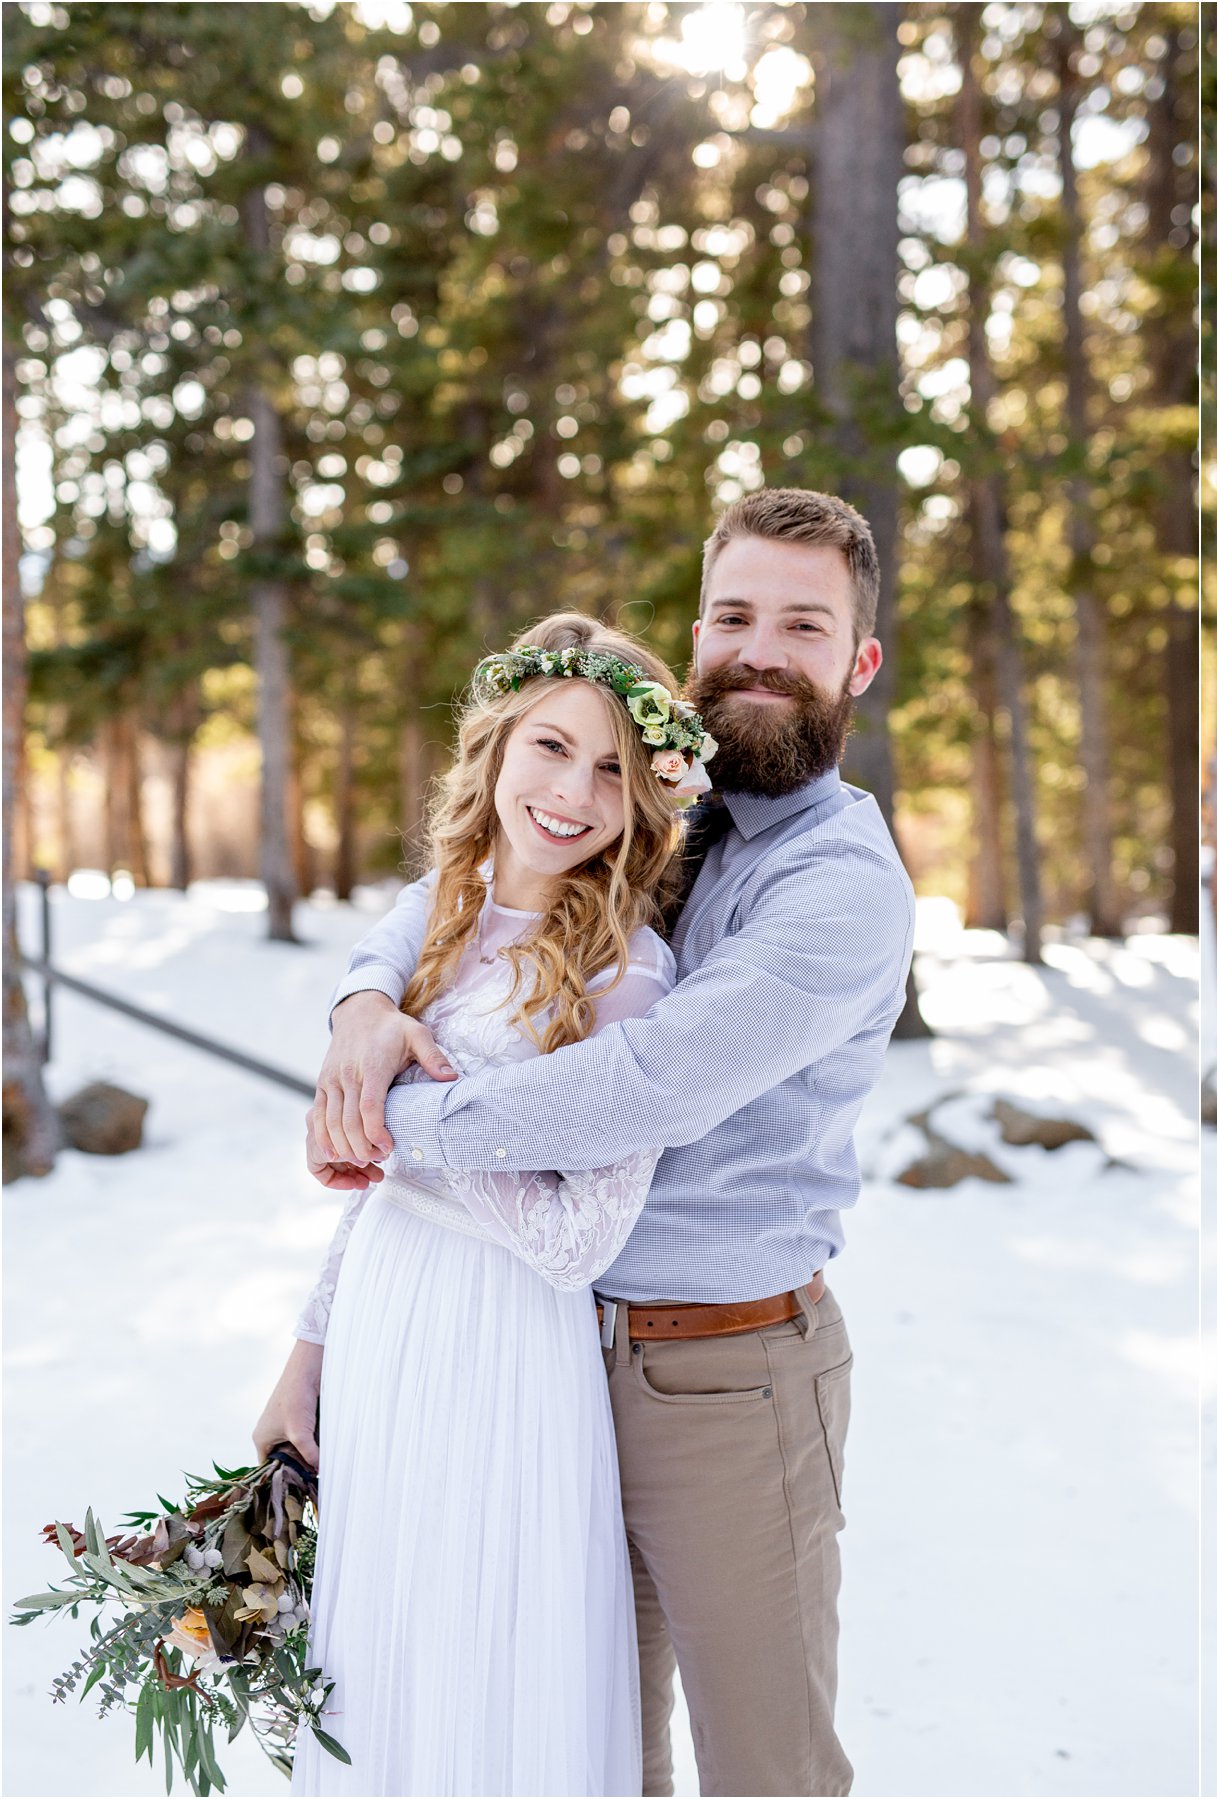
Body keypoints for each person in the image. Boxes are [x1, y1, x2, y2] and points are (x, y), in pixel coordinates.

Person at [257, 489, 916, 1797]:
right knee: (579, 1744)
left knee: (764, 1764)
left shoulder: (837, 878)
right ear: (695, 636)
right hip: (536, 1360)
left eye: (804, 622)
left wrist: (392, 1117)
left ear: (857, 660)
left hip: (723, 1375)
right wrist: (365, 1001)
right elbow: (464, 889)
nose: (761, 648)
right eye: (734, 614)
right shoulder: (654, 809)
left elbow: (645, 1083)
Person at [261, 613, 702, 1793]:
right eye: (550, 747)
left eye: (612, 766)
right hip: (387, 1332)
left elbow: (578, 1237)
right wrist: (306, 1354)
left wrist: (409, 1128)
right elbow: (369, 1200)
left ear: (647, 796)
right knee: (381, 1652)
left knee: (490, 1649)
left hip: (509, 1347)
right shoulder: (433, 921)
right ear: (495, 749)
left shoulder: (629, 974)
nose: (573, 790)